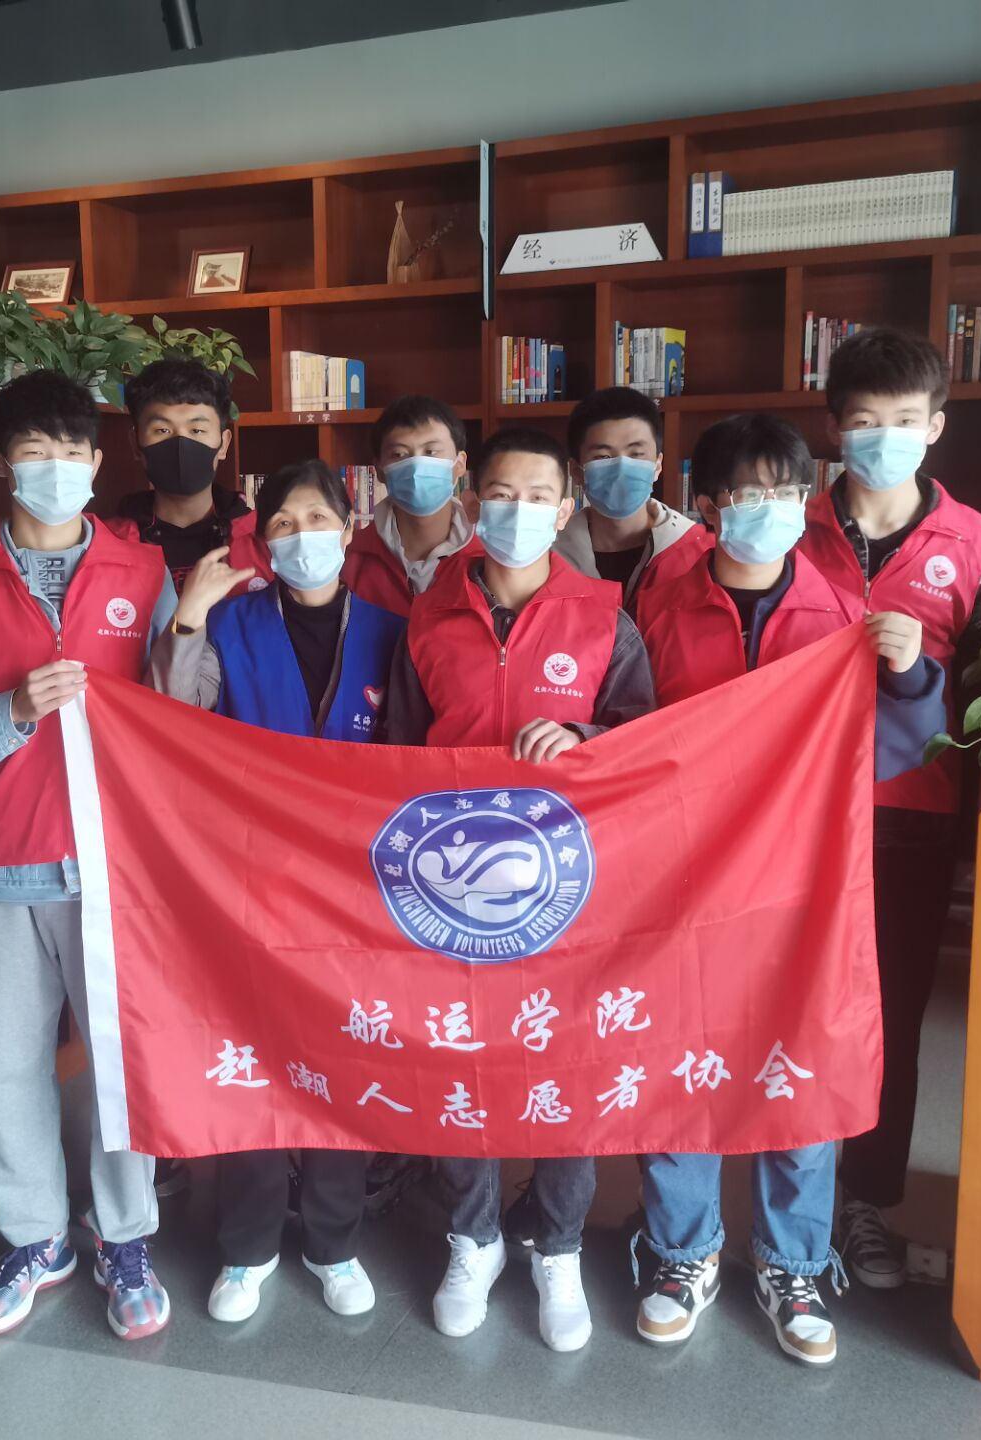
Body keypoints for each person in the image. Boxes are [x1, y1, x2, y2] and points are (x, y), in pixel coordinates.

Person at [631, 411, 945, 1366]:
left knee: (797, 1057)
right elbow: (627, 735)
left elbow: (900, 749)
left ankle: (794, 1262)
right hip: (680, 881)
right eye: (745, 492)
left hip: (804, 884)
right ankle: (681, 1252)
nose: (764, 508)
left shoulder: (843, 614)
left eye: (784, 491)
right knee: (678, 1057)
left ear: (806, 500)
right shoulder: (660, 604)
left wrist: (912, 675)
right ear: (708, 504)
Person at [0, 369, 178, 1342]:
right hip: (4, 861)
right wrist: (9, 711)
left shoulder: (144, 574)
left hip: (114, 866)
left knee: (118, 1062)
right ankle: (34, 1239)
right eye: (34, 452)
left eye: (72, 452)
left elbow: (183, 712)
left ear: (98, 462)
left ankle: (125, 1237)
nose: (55, 469)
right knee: (12, 1065)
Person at [382, 426, 655, 1353]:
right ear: (471, 502)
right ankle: (474, 1238)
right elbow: (396, 761)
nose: (517, 512)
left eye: (538, 498)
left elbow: (645, 743)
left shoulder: (605, 619)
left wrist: (583, 742)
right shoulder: (429, 618)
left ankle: (559, 1247)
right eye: (500, 494)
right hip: (451, 893)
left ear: (566, 509)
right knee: (461, 1062)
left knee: (566, 1065)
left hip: (569, 892)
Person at [149, 457, 406, 1324]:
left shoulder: (392, 630)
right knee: (253, 1063)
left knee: (343, 1065)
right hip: (248, 880)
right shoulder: (232, 621)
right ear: (262, 540)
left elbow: (413, 756)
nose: (302, 538)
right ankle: (247, 1247)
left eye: (317, 519)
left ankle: (334, 1243)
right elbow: (174, 716)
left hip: (356, 890)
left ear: (349, 527)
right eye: (283, 525)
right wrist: (189, 613)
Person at [795, 327, 981, 1289]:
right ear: (833, 428)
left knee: (890, 1016)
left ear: (936, 427)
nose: (882, 437)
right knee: (792, 1004)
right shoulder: (788, 525)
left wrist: (920, 673)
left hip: (909, 814)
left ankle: (866, 1201)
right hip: (794, 812)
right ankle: (790, 1195)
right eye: (863, 421)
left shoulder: (973, 542)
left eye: (903, 420)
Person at [112, 357, 271, 590]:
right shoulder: (107, 544)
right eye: (162, 430)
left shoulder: (265, 541)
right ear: (136, 444)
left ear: (224, 444)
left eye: (197, 430)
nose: (181, 443)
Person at [553, 385, 707, 604]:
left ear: (657, 465)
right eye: (603, 457)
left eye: (636, 454)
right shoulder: (549, 555)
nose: (621, 468)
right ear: (577, 472)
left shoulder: (698, 551)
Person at [340, 394, 480, 615]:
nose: (416, 467)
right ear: (379, 470)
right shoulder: (349, 560)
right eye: (399, 454)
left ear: (460, 463)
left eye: (431, 452)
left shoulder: (487, 559)